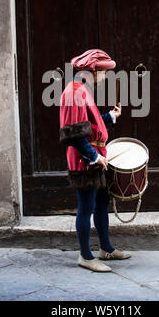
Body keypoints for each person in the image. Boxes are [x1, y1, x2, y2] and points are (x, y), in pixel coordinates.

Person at [59, 49, 131, 272]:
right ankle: (85, 256)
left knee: (101, 203)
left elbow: (89, 124)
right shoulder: (74, 92)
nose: (105, 77)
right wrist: (94, 156)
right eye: (103, 72)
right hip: (85, 160)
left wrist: (110, 117)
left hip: (96, 157)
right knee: (86, 208)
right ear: (93, 70)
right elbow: (73, 134)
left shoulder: (83, 90)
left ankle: (106, 249)